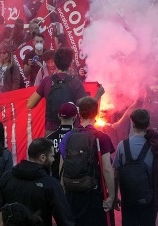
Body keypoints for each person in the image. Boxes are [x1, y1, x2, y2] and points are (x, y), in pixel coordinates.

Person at [0, 138, 72, 226]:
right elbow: (64, 219)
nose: (54, 159)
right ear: (42, 157)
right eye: (52, 156)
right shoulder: (51, 184)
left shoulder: (7, 177)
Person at [59, 96, 115, 226]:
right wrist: (111, 196)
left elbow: (62, 165)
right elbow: (107, 168)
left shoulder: (68, 137)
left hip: (72, 193)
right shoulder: (101, 137)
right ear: (96, 113)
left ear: (79, 114)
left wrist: (63, 191)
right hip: (94, 193)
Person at [112, 109, 158, 226]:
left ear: (133, 125)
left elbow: (116, 174)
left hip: (128, 198)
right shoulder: (156, 147)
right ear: (148, 124)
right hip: (149, 199)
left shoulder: (123, 145)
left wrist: (114, 197)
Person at [27, 48, 87, 135]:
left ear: (55, 62)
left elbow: (30, 104)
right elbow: (86, 109)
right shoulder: (76, 83)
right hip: (71, 132)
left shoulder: (47, 81)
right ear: (70, 64)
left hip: (51, 131)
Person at [46, 103, 76, 178]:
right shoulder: (80, 137)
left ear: (59, 116)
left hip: (55, 183)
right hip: (76, 184)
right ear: (75, 117)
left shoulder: (50, 138)